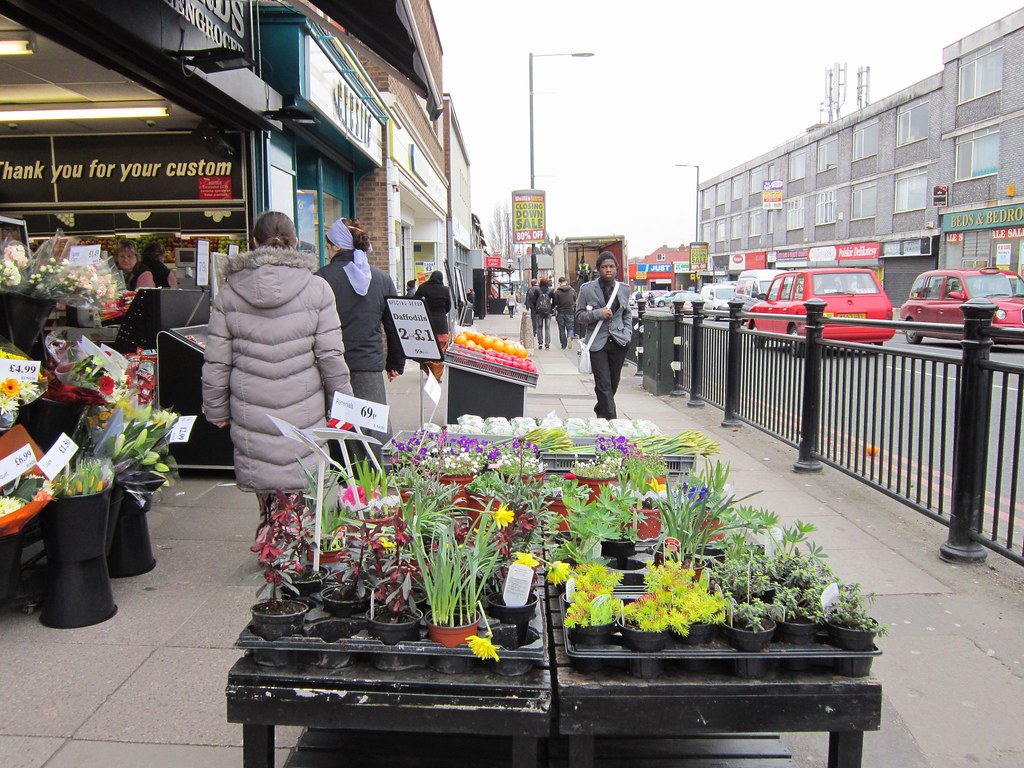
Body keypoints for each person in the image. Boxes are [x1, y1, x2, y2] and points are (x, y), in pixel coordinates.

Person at [201, 211, 353, 529]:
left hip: (252, 411)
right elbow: (331, 358)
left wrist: (216, 410)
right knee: (302, 489)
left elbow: (217, 361)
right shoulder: (318, 289)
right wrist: (345, 410)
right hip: (304, 410)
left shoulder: (229, 292)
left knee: (266, 488)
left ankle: (269, 534)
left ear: (254, 243)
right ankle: (297, 545)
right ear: (295, 243)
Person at [316, 218, 405, 463]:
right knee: (372, 429)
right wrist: (395, 363)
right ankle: (375, 486)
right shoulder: (381, 279)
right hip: (369, 369)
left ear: (334, 245)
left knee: (341, 431)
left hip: (332, 369)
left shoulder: (321, 279)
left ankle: (347, 489)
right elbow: (393, 325)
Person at [576, 251, 632, 419]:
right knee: (604, 384)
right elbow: (579, 316)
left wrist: (628, 332)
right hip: (597, 343)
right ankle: (611, 422)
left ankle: (601, 410)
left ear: (616, 269)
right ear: (598, 270)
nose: (608, 270)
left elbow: (627, 313)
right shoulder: (587, 289)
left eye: (611, 267)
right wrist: (598, 313)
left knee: (613, 384)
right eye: (604, 267)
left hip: (618, 342)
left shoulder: (623, 289)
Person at [414, 270, 452, 382]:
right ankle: (436, 374)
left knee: (427, 349)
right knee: (440, 350)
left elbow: (416, 302)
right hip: (440, 323)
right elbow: (448, 307)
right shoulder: (445, 290)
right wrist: (440, 313)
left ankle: (427, 369)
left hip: (426, 322)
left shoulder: (423, 288)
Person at [526, 278, 553, 349]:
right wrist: (551, 307)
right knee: (547, 328)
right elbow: (555, 300)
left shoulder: (537, 290)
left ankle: (540, 342)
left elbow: (534, 301)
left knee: (539, 327)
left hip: (539, 312)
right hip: (548, 312)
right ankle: (547, 344)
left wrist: (535, 308)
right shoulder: (550, 291)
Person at [553, 276, 577, 349]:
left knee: (561, 329)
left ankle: (563, 345)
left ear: (559, 283)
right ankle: (570, 336)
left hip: (560, 311)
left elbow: (555, 302)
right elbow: (575, 299)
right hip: (570, 311)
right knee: (570, 327)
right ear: (566, 282)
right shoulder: (572, 290)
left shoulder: (557, 292)